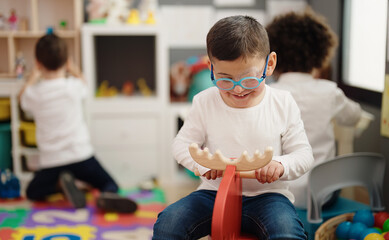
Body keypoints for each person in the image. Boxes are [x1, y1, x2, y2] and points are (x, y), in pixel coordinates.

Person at [153, 15, 314, 240]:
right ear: (211, 68)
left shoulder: (283, 102)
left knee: (288, 233)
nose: (238, 90)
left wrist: (280, 165)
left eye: (249, 80)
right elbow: (180, 144)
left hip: (268, 197)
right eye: (225, 80)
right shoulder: (204, 101)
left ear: (269, 64)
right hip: (213, 193)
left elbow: (304, 154)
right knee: (168, 224)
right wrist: (199, 164)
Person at [19, 33, 137, 213]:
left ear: (37, 63)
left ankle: (60, 185)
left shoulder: (34, 93)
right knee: (109, 182)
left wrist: (32, 77)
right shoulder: (73, 86)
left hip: (52, 161)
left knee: (33, 192)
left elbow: (22, 98)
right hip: (81, 155)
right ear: (66, 61)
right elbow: (85, 83)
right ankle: (105, 194)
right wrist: (73, 68)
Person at [266, 8, 362, 209]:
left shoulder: (268, 93)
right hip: (322, 194)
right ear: (320, 54)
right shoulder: (329, 92)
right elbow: (353, 117)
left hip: (277, 192)